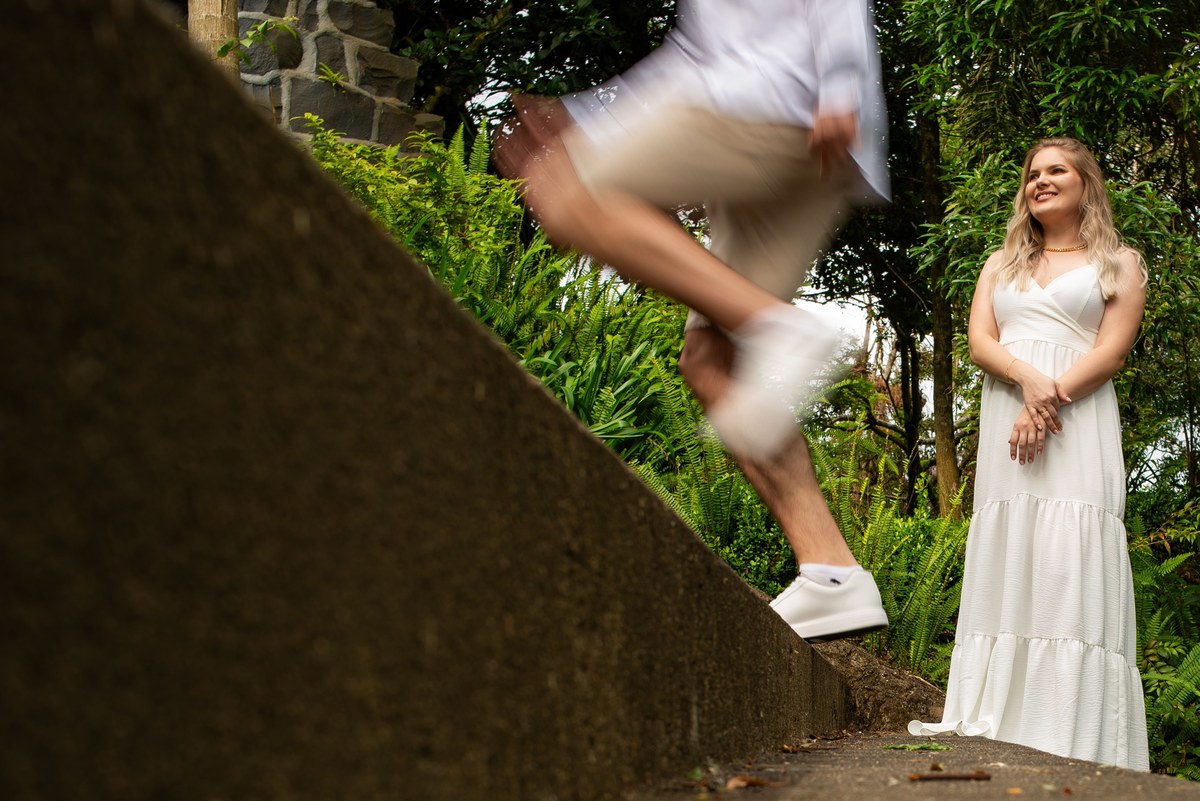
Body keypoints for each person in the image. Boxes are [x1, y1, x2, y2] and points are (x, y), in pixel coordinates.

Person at [493, 0, 891, 641]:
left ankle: (775, 326)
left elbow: (711, 58)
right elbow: (698, 48)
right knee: (710, 364)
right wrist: (589, 112)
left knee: (568, 191)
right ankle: (833, 573)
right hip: (815, 143)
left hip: (773, 105)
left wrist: (841, 84)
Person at [908, 137, 1150, 771]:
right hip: (1007, 418)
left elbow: (1111, 352)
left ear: (1085, 183)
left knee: (1069, 556)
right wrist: (1027, 380)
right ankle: (1001, 710)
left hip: (1077, 423)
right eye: (1033, 173)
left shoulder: (1120, 263)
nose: (1040, 181)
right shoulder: (1001, 263)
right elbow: (980, 342)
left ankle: (1069, 727)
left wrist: (1046, 400)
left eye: (1056, 171)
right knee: (1012, 546)